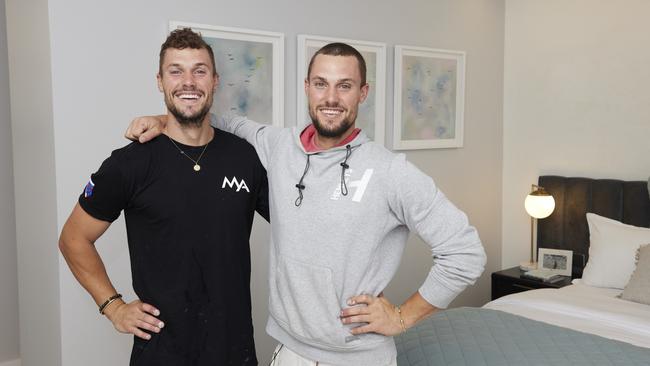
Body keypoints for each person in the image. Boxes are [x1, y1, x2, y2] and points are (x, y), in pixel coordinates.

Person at [126, 42, 486, 366]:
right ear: (307, 88)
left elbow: (466, 253)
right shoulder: (278, 146)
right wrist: (161, 119)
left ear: (363, 92)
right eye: (321, 83)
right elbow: (216, 122)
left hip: (357, 358)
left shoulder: (391, 172)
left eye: (344, 86)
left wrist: (403, 317)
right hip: (288, 352)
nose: (331, 97)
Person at [59, 28, 269, 366]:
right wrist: (113, 306)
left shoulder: (245, 158)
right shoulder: (130, 163)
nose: (188, 81)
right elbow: (73, 238)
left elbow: (298, 223)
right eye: (176, 71)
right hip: (162, 353)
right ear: (160, 81)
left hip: (234, 350)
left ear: (214, 80)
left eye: (199, 71)